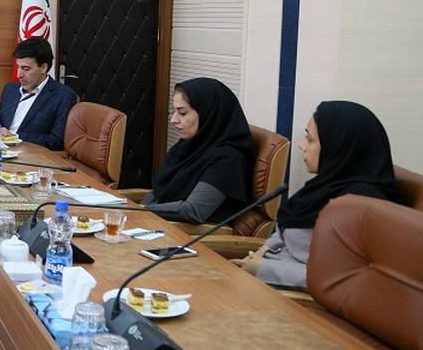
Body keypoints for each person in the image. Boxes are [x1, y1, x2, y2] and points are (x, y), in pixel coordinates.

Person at [233, 101, 401, 289]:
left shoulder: (359, 206)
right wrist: (263, 251)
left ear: (338, 146)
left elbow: (339, 278)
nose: (301, 145)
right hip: (268, 278)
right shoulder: (324, 186)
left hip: (294, 296)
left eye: (310, 139)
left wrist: (263, 268)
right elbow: (285, 229)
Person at [144, 78, 254, 224]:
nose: (173, 120)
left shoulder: (227, 160)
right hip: (162, 224)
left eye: (182, 113)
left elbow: (193, 211)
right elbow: (160, 192)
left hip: (191, 234)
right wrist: (133, 209)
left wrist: (142, 210)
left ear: (208, 114)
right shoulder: (190, 145)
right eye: (174, 111)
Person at [0, 37, 77, 150]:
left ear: (43, 68)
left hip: (31, 155)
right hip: (0, 151)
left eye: (26, 69)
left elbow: (56, 141)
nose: (19, 75)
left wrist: (15, 137)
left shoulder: (63, 96)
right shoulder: (10, 89)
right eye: (18, 67)